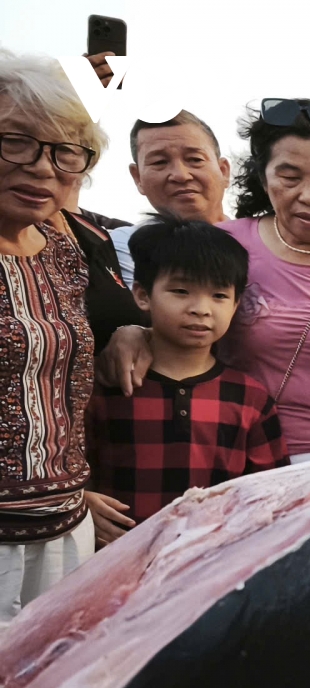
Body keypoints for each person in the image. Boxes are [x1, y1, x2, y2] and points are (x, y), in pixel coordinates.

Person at [103, 99, 310, 462]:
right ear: (263, 178)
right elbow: (178, 321)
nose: (309, 195)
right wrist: (132, 332)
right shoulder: (225, 244)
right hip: (231, 461)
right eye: (289, 177)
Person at [86, 217, 287, 544]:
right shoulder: (106, 386)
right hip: (118, 556)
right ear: (142, 295)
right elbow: (69, 468)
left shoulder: (250, 398)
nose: (201, 309)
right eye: (181, 291)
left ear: (236, 304)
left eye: (219, 296)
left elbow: (271, 493)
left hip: (214, 562)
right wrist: (82, 504)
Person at [0, 50, 110, 616]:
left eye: (65, 151)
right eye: (15, 140)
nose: (43, 167)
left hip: (67, 533)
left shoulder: (64, 248)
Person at [109, 111, 230, 283]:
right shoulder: (125, 247)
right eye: (159, 162)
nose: (181, 175)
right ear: (138, 178)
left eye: (195, 159)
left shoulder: (265, 242)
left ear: (224, 171)